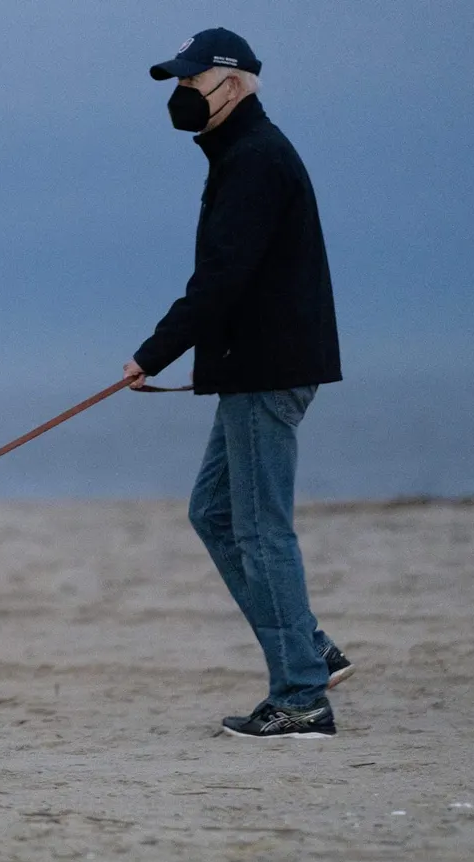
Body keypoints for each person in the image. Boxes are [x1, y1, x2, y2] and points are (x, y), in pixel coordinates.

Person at [124, 28, 352, 738]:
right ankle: (307, 645)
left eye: (193, 83)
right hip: (256, 368)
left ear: (237, 84)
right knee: (215, 514)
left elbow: (222, 278)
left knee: (260, 530)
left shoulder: (255, 160)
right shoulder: (239, 156)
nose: (182, 95)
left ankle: (301, 697)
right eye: (179, 84)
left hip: (267, 369)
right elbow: (231, 278)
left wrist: (154, 353)